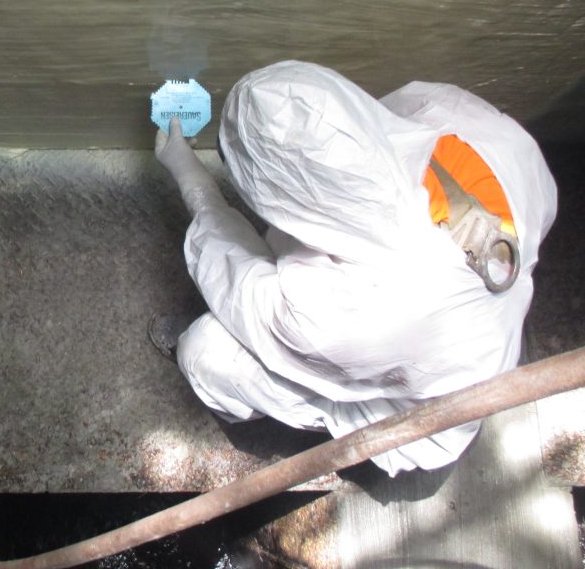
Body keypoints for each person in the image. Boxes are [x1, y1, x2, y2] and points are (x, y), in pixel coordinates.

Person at [152, 60, 557, 475]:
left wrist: (190, 176)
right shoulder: (465, 121)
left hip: (430, 408)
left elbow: (237, 285)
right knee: (293, 236)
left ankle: (320, 421)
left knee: (205, 351)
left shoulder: (338, 316)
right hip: (484, 318)